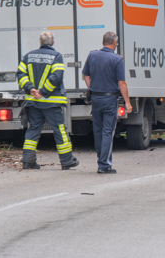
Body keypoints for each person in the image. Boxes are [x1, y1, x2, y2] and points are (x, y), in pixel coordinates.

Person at [17, 31, 79, 170]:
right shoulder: (56, 56)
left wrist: (31, 89)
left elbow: (21, 74)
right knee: (60, 130)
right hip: (51, 102)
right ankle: (66, 160)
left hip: (33, 102)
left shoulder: (28, 56)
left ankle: (28, 161)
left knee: (33, 129)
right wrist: (43, 92)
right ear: (53, 43)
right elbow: (56, 77)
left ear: (40, 42)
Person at [82, 31, 132, 174]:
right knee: (107, 132)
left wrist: (92, 88)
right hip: (109, 100)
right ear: (114, 42)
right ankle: (104, 165)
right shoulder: (117, 59)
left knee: (98, 131)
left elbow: (86, 75)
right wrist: (127, 103)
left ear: (103, 41)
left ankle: (102, 160)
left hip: (96, 99)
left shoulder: (92, 55)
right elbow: (121, 83)